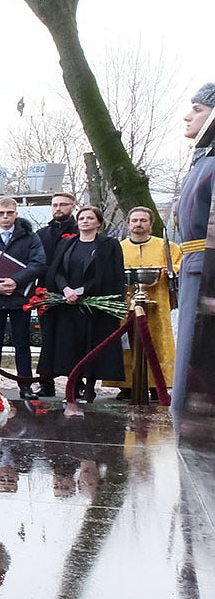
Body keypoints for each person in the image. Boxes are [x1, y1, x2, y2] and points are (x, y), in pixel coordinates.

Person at [43, 205, 124, 403]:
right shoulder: (68, 244)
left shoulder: (108, 245)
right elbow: (57, 270)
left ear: (98, 223)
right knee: (71, 348)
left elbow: (108, 274)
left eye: (90, 218)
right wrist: (65, 289)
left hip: (93, 306)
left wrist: (81, 291)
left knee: (92, 347)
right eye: (81, 218)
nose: (85, 221)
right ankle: (74, 387)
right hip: (69, 305)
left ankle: (90, 388)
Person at [0, 198, 46, 400]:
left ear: (16, 214)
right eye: (1, 213)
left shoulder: (29, 237)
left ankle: (25, 386)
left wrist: (15, 281)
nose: (6, 216)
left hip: (19, 298)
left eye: (10, 212)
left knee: (22, 343)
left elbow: (38, 263)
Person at [171, 83, 215, 417]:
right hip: (194, 265)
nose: (188, 116)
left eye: (198, 109)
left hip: (206, 268)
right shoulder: (202, 163)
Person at [106, 206, 181, 399]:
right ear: (129, 223)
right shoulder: (118, 247)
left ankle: (159, 385)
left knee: (158, 343)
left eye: (143, 220)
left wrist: (170, 272)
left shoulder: (167, 247)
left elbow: (179, 265)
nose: (138, 224)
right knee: (127, 342)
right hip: (127, 304)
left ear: (150, 224)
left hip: (158, 303)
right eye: (135, 220)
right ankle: (128, 385)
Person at [33, 192, 79, 397]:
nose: (58, 208)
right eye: (55, 205)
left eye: (63, 204)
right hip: (47, 293)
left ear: (73, 206)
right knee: (48, 338)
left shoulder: (81, 230)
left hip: (74, 294)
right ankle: (46, 381)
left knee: (73, 340)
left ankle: (76, 383)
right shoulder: (42, 234)